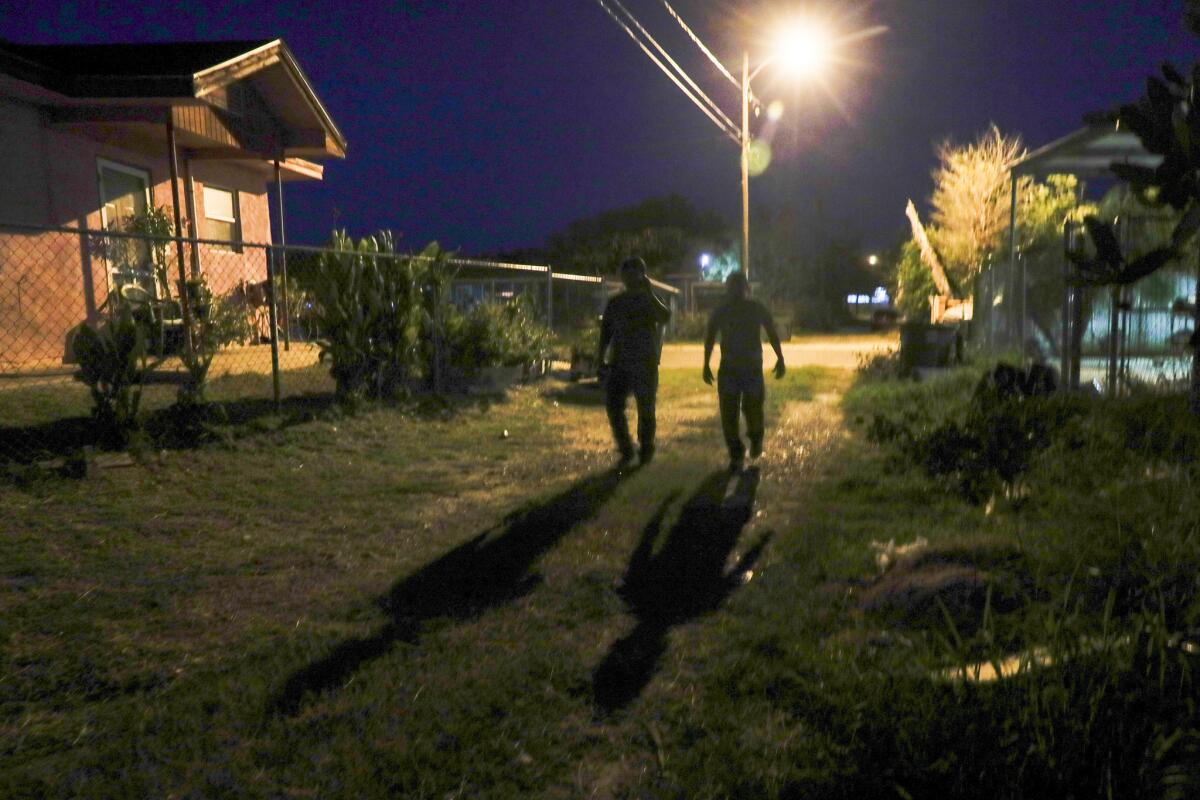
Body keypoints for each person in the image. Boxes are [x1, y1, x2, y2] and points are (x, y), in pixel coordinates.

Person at [703, 271, 785, 471]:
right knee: (729, 413)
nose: (736, 291)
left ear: (745, 289)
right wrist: (705, 364)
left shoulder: (754, 308)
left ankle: (755, 439)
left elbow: (772, 333)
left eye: (739, 287)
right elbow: (710, 338)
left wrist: (780, 358)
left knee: (752, 408)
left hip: (751, 368)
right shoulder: (722, 311)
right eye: (733, 287)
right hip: (730, 369)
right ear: (728, 289)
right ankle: (736, 453)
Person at [597, 257, 672, 466]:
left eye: (634, 273)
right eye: (626, 273)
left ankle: (646, 447)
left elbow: (665, 317)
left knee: (646, 408)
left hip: (645, 362)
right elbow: (606, 333)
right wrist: (600, 359)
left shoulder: (648, 300)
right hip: (620, 362)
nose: (629, 278)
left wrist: (648, 293)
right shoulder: (616, 302)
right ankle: (626, 449)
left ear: (642, 275)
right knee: (613, 405)